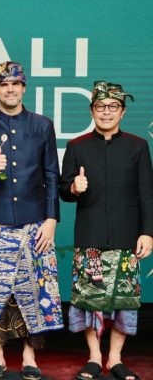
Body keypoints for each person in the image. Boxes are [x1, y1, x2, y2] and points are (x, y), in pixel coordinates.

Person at [0, 61, 63, 380]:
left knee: (35, 289)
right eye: (3, 84)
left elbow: (52, 174)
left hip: (36, 222)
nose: (10, 89)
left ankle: (30, 355)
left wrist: (51, 219)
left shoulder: (42, 125)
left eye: (15, 84)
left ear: (23, 88)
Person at [59, 81, 152, 380]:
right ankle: (94, 357)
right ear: (92, 111)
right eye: (101, 106)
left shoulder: (138, 146)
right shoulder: (77, 146)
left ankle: (115, 358)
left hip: (127, 237)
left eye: (113, 107)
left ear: (122, 112)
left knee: (125, 301)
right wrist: (74, 187)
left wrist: (147, 232)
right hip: (90, 236)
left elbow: (147, 194)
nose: (106, 112)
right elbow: (63, 190)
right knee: (88, 301)